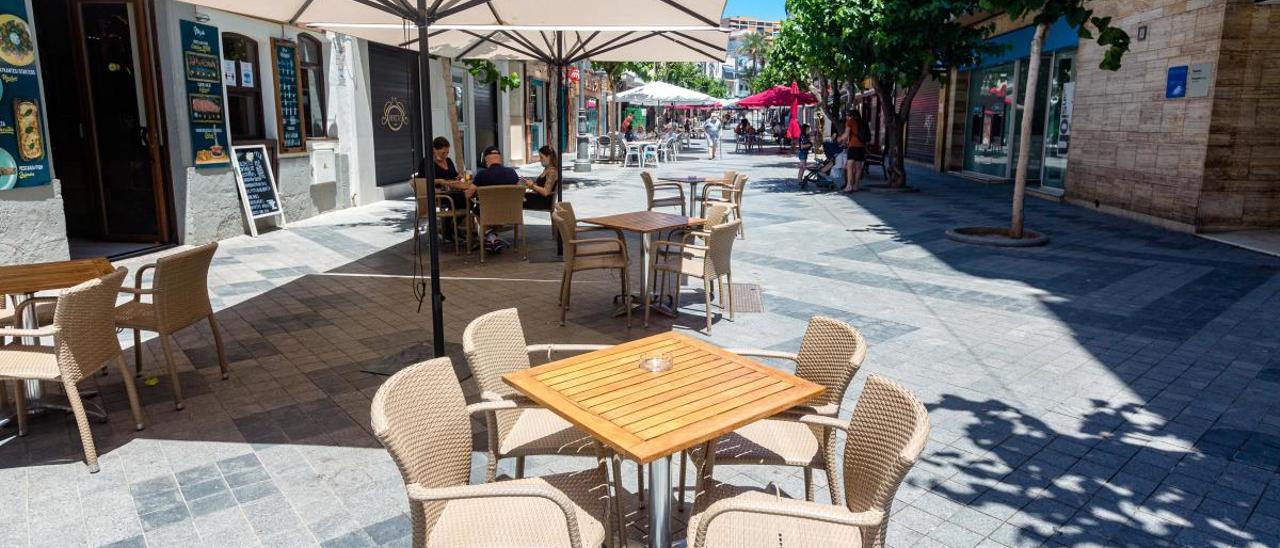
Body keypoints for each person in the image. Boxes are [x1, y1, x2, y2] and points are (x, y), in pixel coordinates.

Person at [839, 110, 869, 193]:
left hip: (853, 146)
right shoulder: (863, 121)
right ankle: (856, 185)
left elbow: (846, 135)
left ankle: (849, 186)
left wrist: (839, 139)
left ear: (851, 115)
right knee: (858, 167)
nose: (847, 117)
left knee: (849, 166)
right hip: (862, 147)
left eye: (848, 115)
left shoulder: (850, 121)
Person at [522, 145, 558, 210]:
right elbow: (541, 185)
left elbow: (546, 192)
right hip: (538, 198)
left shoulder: (552, 171)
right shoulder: (547, 169)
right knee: (517, 197)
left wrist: (532, 186)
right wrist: (530, 184)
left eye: (541, 157)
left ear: (549, 157)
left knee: (516, 200)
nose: (540, 160)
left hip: (543, 201)